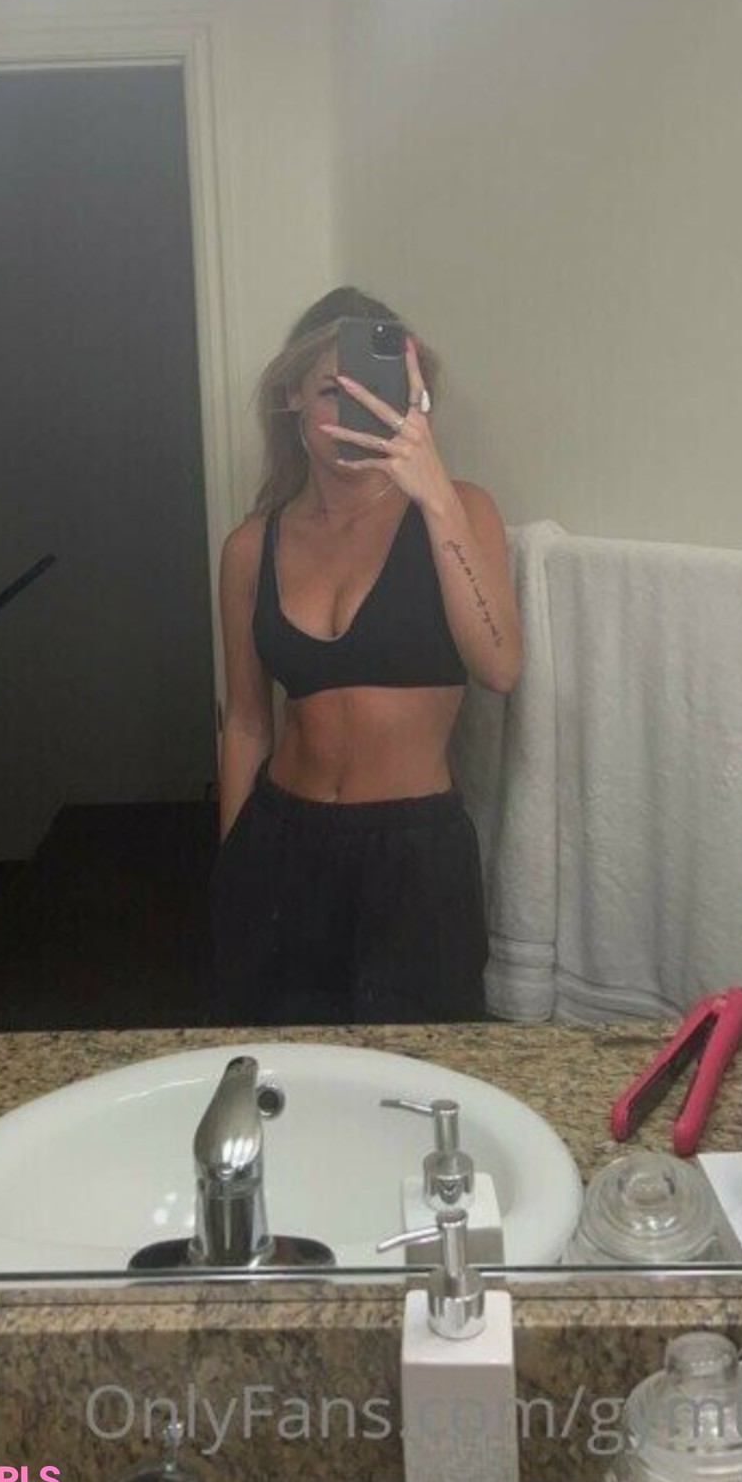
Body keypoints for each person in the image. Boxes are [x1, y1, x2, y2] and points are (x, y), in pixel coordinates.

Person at [210, 285, 521, 1025]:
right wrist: (232, 872)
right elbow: (247, 722)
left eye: (376, 394)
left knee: (417, 1073)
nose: (357, 413)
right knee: (281, 1070)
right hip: (281, 843)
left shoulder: (460, 509)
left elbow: (500, 666)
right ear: (291, 397)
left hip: (415, 855)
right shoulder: (252, 545)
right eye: (333, 392)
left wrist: (433, 491)